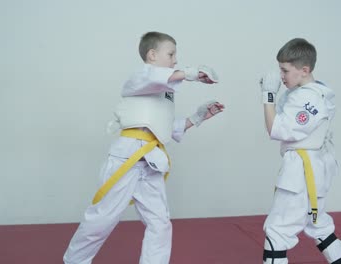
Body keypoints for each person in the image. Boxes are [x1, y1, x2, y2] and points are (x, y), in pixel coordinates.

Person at [63, 31, 224, 264]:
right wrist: (191, 74)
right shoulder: (140, 77)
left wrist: (197, 117)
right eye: (171, 54)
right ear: (152, 55)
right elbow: (154, 78)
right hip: (127, 157)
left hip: (150, 161)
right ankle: (74, 261)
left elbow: (164, 129)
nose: (175, 59)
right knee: (102, 220)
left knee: (160, 223)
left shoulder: (165, 92)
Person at [260, 38, 341, 264]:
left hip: (301, 170)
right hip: (314, 166)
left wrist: (267, 96)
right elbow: (284, 115)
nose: (281, 75)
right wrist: (273, 93)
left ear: (304, 70)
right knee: (318, 224)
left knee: (277, 230)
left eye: (285, 70)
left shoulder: (306, 98)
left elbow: (276, 129)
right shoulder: (315, 92)